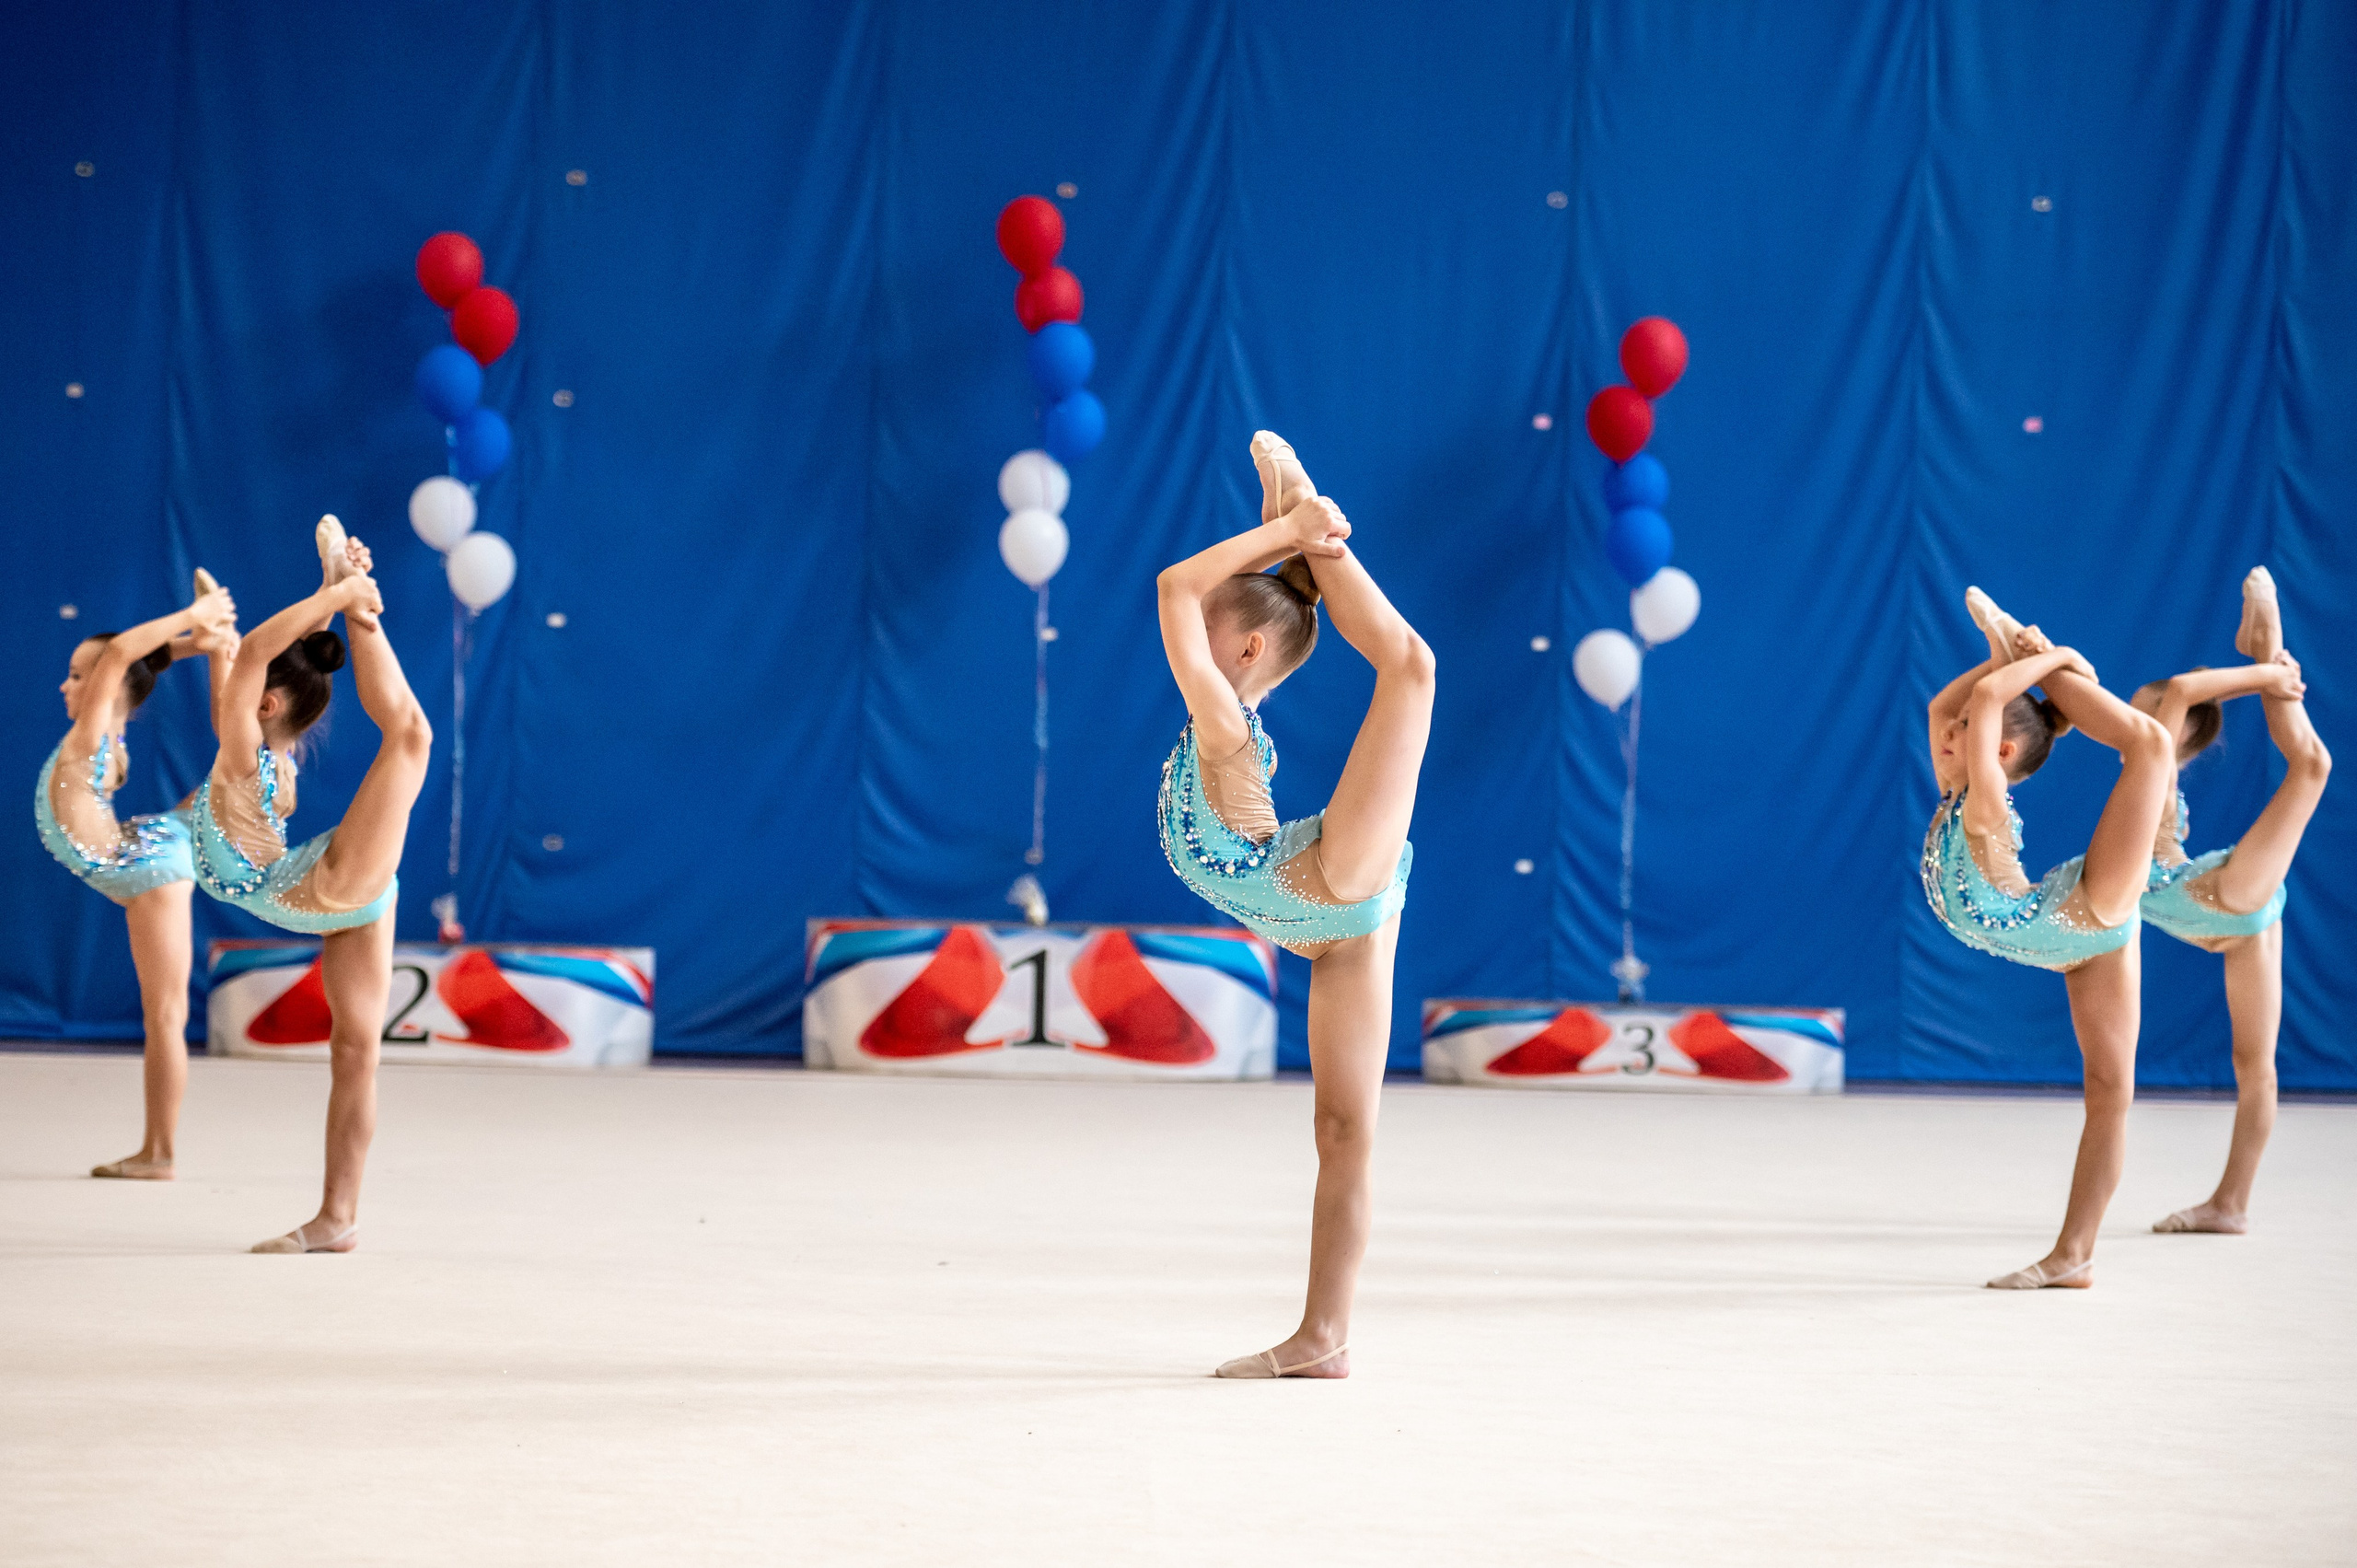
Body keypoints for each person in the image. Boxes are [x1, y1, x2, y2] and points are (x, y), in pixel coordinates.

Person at [1156, 433, 1434, 1376]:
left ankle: (1327, 531)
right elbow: (1188, 601)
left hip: (1324, 884)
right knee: (1343, 1131)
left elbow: (1173, 587)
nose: (1185, 651)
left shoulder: (1223, 720)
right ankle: (1324, 1337)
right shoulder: (1226, 724)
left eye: (1206, 642)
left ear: (1241, 647)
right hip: (1333, 935)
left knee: (1411, 670)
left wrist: (1293, 529)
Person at [191, 518, 433, 1255]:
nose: (236, 679)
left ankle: (337, 1217)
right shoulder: (251, 754)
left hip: (330, 891)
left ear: (265, 705)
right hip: (314, 888)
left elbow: (261, 654)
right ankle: (359, 608)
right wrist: (335, 592)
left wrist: (338, 591)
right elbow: (255, 655)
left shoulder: (249, 750)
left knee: (358, 1049)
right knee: (412, 737)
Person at [1922, 588, 2176, 1290]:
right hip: (2073, 938)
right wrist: (2003, 659)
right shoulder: (1958, 789)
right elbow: (1944, 708)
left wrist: (2037, 657)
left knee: (2151, 745)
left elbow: (1991, 699)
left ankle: (2073, 1254)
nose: (1947, 736)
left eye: (1966, 732)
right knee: (2109, 1089)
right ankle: (2076, 1256)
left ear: (1997, 751)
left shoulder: (1984, 802)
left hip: (2088, 913)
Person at [2131, 569, 2329, 1236]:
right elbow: (2185, 695)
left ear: (2171, 728)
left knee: (2312, 768)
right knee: (2256, 1067)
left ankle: (2266, 645)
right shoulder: (2155, 772)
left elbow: (2186, 690)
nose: (2132, 721)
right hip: (2225, 914)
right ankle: (2231, 1205)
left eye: (2144, 712)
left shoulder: (2153, 762)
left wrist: (2267, 680)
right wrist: (2262, 678)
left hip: (2214, 897)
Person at [40, 575, 238, 1180]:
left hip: (146, 867)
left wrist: (193, 614)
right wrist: (192, 643)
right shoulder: (111, 730)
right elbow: (131, 664)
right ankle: (223, 652)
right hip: (142, 851)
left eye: (79, 675)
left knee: (166, 1014)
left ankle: (159, 1152)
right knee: (223, 791)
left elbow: (125, 654)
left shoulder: (93, 732)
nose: (66, 684)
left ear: (104, 685)